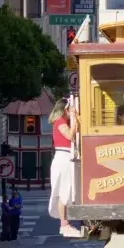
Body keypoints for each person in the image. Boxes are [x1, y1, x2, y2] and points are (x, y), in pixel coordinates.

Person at [48, 98, 81, 237]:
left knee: (67, 190)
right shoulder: (59, 121)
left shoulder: (62, 121)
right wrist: (74, 119)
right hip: (63, 157)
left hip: (65, 157)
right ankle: (64, 224)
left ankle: (65, 223)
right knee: (64, 191)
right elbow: (69, 135)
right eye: (69, 109)